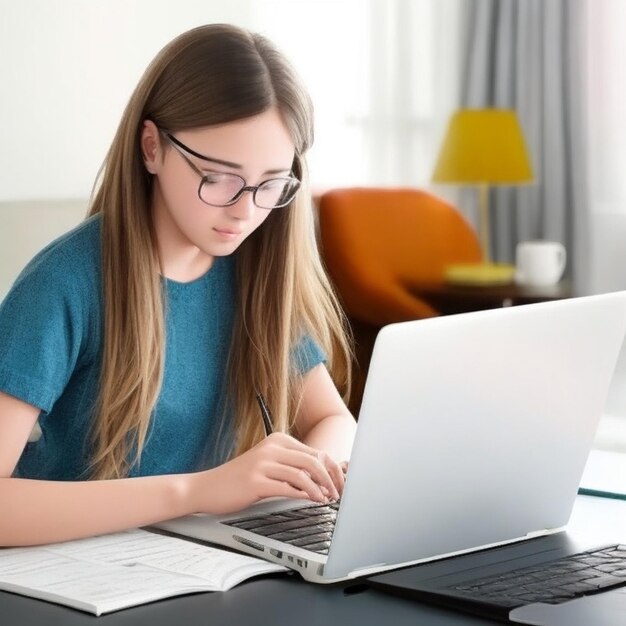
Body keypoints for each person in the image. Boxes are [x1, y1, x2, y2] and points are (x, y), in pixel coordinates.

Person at [0, 23, 356, 547]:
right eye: (218, 178)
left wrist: (307, 471)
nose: (246, 210)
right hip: (73, 572)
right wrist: (196, 492)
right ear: (152, 148)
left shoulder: (257, 274)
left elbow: (332, 419)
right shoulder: (63, 284)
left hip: (204, 563)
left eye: (272, 184)